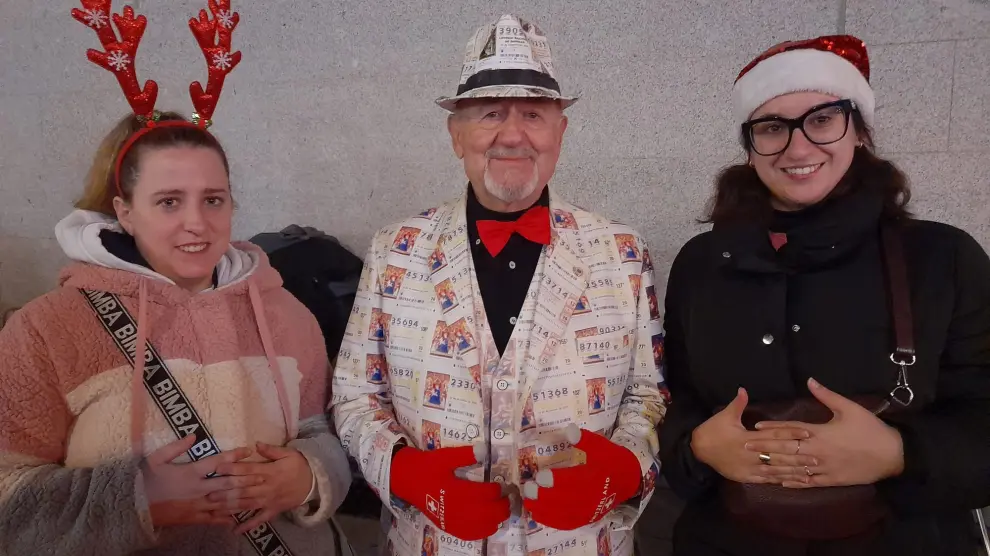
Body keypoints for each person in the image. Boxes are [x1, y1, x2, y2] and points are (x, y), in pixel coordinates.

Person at [0, 3, 351, 555]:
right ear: (124, 211)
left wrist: (310, 475)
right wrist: (133, 499)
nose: (197, 223)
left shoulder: (285, 314)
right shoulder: (46, 330)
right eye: (168, 202)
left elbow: (318, 430)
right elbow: (7, 494)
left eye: (213, 199)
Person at [330, 14, 666, 556]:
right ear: (455, 134)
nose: (513, 134)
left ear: (560, 131)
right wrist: (407, 475)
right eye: (490, 113)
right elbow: (354, 397)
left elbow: (649, 396)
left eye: (534, 113)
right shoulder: (394, 248)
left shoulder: (622, 250)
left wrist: (624, 471)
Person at [658, 34, 990, 556]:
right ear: (749, 148)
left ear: (858, 131)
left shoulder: (943, 259)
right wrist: (697, 447)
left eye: (821, 119)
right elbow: (671, 401)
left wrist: (900, 454)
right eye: (772, 128)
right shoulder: (702, 264)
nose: (798, 147)